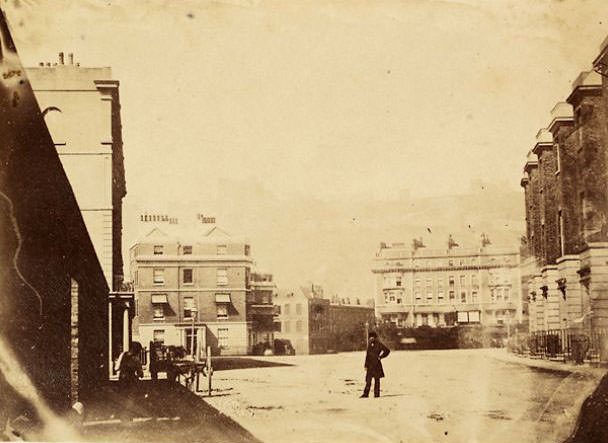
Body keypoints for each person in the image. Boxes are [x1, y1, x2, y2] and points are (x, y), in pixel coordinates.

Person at [360, 331, 390, 398]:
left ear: (375, 338)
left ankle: (376, 394)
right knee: (368, 380)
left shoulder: (379, 344)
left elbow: (387, 350)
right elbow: (367, 356)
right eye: (370, 337)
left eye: (372, 337)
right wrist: (366, 365)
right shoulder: (369, 345)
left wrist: (381, 357)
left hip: (376, 364)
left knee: (377, 380)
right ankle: (366, 394)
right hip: (370, 365)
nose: (371, 338)